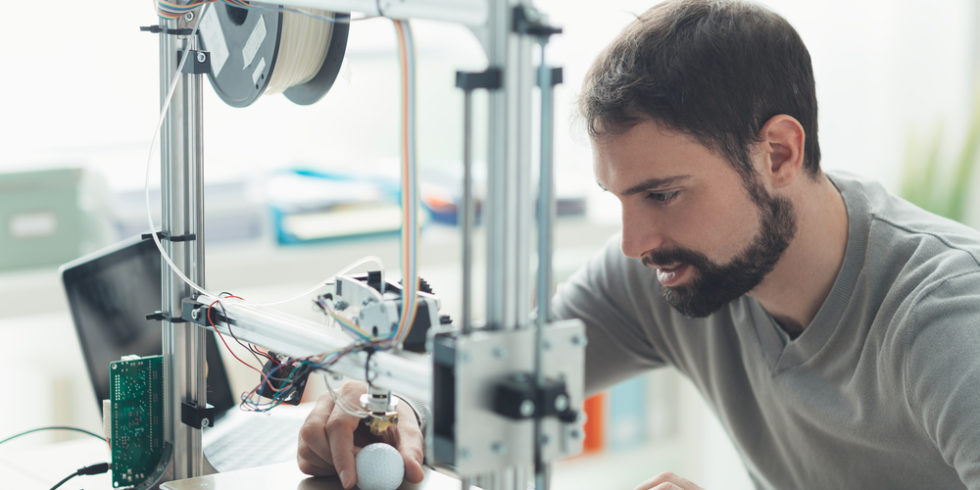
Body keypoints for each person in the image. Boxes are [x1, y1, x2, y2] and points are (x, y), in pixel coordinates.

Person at [298, 1, 980, 488]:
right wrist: (386, 412)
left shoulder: (947, 317)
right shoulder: (673, 271)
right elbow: (500, 381)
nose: (634, 243)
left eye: (662, 194)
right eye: (619, 199)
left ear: (777, 152)